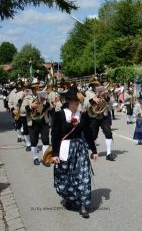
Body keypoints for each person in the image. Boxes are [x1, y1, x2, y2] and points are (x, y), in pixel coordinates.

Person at [51, 87, 98, 218]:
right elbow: (55, 135)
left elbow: (88, 133)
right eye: (76, 101)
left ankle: (83, 204)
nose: (78, 104)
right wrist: (55, 154)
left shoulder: (82, 115)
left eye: (79, 101)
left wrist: (93, 150)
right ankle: (70, 198)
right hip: (65, 149)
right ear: (69, 101)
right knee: (65, 176)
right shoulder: (60, 115)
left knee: (83, 175)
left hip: (80, 149)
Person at [84, 78, 115, 161]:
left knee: (108, 133)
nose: (97, 86)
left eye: (98, 85)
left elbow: (112, 103)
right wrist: (92, 100)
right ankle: (94, 151)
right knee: (93, 135)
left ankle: (109, 153)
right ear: (92, 86)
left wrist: (106, 97)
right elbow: (85, 105)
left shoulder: (104, 92)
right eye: (96, 85)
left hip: (104, 115)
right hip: (93, 117)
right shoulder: (88, 93)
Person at [25, 89, 52, 166]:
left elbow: (50, 108)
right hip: (32, 123)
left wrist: (44, 101)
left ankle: (45, 158)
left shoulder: (45, 98)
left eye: (38, 88)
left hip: (44, 122)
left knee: (46, 140)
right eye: (34, 88)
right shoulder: (28, 97)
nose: (36, 90)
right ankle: (35, 158)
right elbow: (23, 110)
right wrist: (31, 106)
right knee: (33, 142)